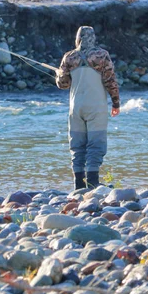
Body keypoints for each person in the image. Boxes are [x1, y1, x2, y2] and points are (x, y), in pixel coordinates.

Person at [55, 26, 120, 190]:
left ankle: (78, 185)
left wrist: (60, 74)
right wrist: (116, 103)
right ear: (93, 38)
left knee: (77, 146)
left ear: (78, 38)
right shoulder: (101, 55)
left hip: (75, 107)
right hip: (96, 106)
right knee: (95, 145)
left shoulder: (68, 57)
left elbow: (62, 84)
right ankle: (92, 183)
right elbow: (110, 81)